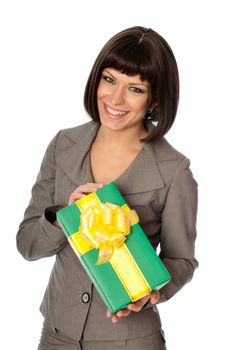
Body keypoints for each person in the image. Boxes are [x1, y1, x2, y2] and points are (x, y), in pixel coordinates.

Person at [16, 26, 198, 350]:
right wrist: (63, 218)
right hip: (56, 334)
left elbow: (181, 261)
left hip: (129, 339)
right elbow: (27, 245)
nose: (115, 99)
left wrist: (152, 291)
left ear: (155, 99)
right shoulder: (63, 145)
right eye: (110, 79)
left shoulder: (174, 171)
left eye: (135, 89)